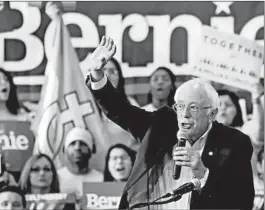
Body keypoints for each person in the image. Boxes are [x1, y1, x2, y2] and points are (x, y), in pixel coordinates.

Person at [82, 36, 254, 209]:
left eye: (193, 107)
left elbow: (242, 202)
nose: (184, 115)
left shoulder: (235, 143)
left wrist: (203, 174)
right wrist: (97, 74)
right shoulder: (161, 124)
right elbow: (121, 110)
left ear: (212, 114)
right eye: (180, 106)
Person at [57, 127, 103, 196]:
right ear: (64, 150)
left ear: (92, 149)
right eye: (72, 144)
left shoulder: (101, 179)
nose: (77, 148)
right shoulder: (55, 178)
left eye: (82, 144)